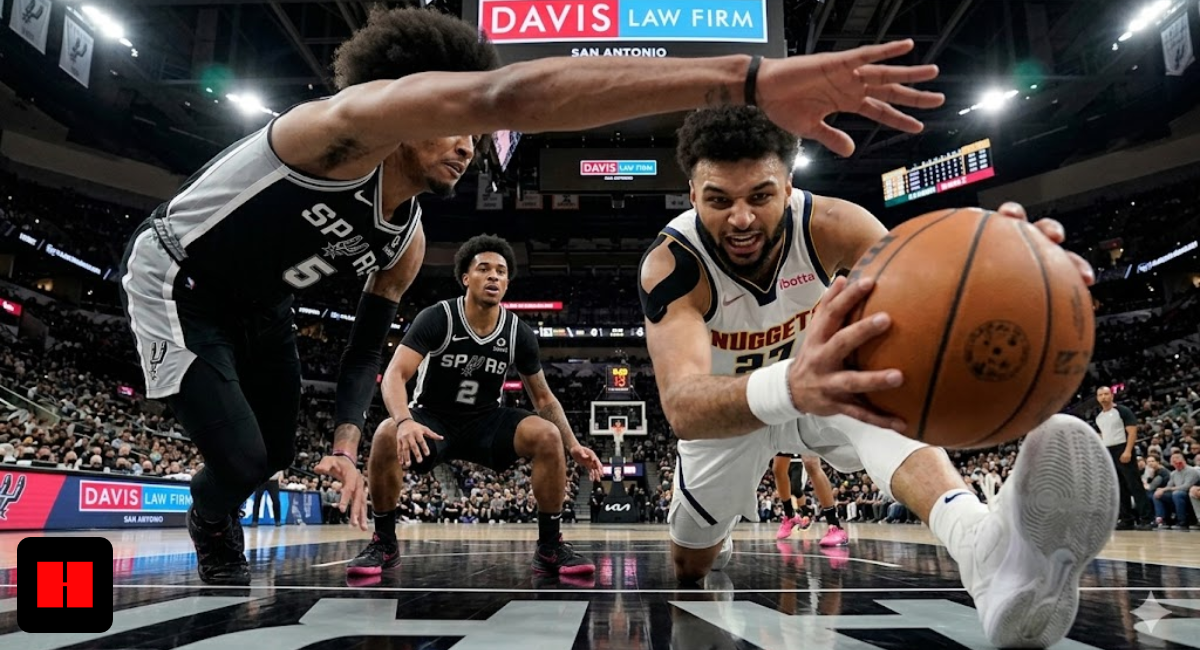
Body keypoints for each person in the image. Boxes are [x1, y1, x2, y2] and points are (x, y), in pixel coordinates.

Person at [117, 6, 945, 585]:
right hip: (177, 280)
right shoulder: (328, 132)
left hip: (262, 311)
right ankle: (212, 516)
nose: (471, 147)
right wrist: (746, 80)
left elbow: (368, 345)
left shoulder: (404, 245)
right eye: (456, 127)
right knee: (242, 461)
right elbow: (507, 96)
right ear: (406, 105)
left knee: (269, 452)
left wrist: (343, 437)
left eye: (477, 139)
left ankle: (538, 535)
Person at [638, 105, 1117, 648]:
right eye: (719, 200)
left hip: (829, 389)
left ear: (789, 186)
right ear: (692, 193)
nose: (741, 218)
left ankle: (986, 552)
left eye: (760, 196)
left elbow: (924, 300)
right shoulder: (673, 265)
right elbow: (682, 404)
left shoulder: (837, 226)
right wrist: (793, 382)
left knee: (885, 397)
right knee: (689, 566)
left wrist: (1011, 268)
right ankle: (714, 531)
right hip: (734, 412)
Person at [346, 235, 604, 577]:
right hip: (433, 418)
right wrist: (404, 420)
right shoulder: (438, 317)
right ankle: (384, 543)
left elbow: (543, 398)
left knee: (547, 435)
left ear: (508, 282)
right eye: (484, 269)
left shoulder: (517, 332)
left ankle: (550, 546)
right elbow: (395, 373)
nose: (494, 276)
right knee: (384, 433)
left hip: (486, 420)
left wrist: (573, 445)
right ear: (466, 278)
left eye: (501, 271)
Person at [1095, 386, 1153, 529]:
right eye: (1100, 395)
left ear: (1112, 396)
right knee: (1119, 486)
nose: (1103, 397)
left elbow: (1132, 432)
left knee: (1134, 485)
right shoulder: (1099, 417)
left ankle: (1147, 519)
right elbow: (1104, 435)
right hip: (1109, 451)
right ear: (1097, 398)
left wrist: (1128, 451)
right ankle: (1127, 519)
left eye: (1106, 394)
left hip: (1123, 448)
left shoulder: (1122, 411)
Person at [771, 454, 846, 546]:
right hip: (786, 440)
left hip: (800, 455)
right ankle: (790, 515)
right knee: (778, 469)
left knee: (811, 464)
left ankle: (835, 525)